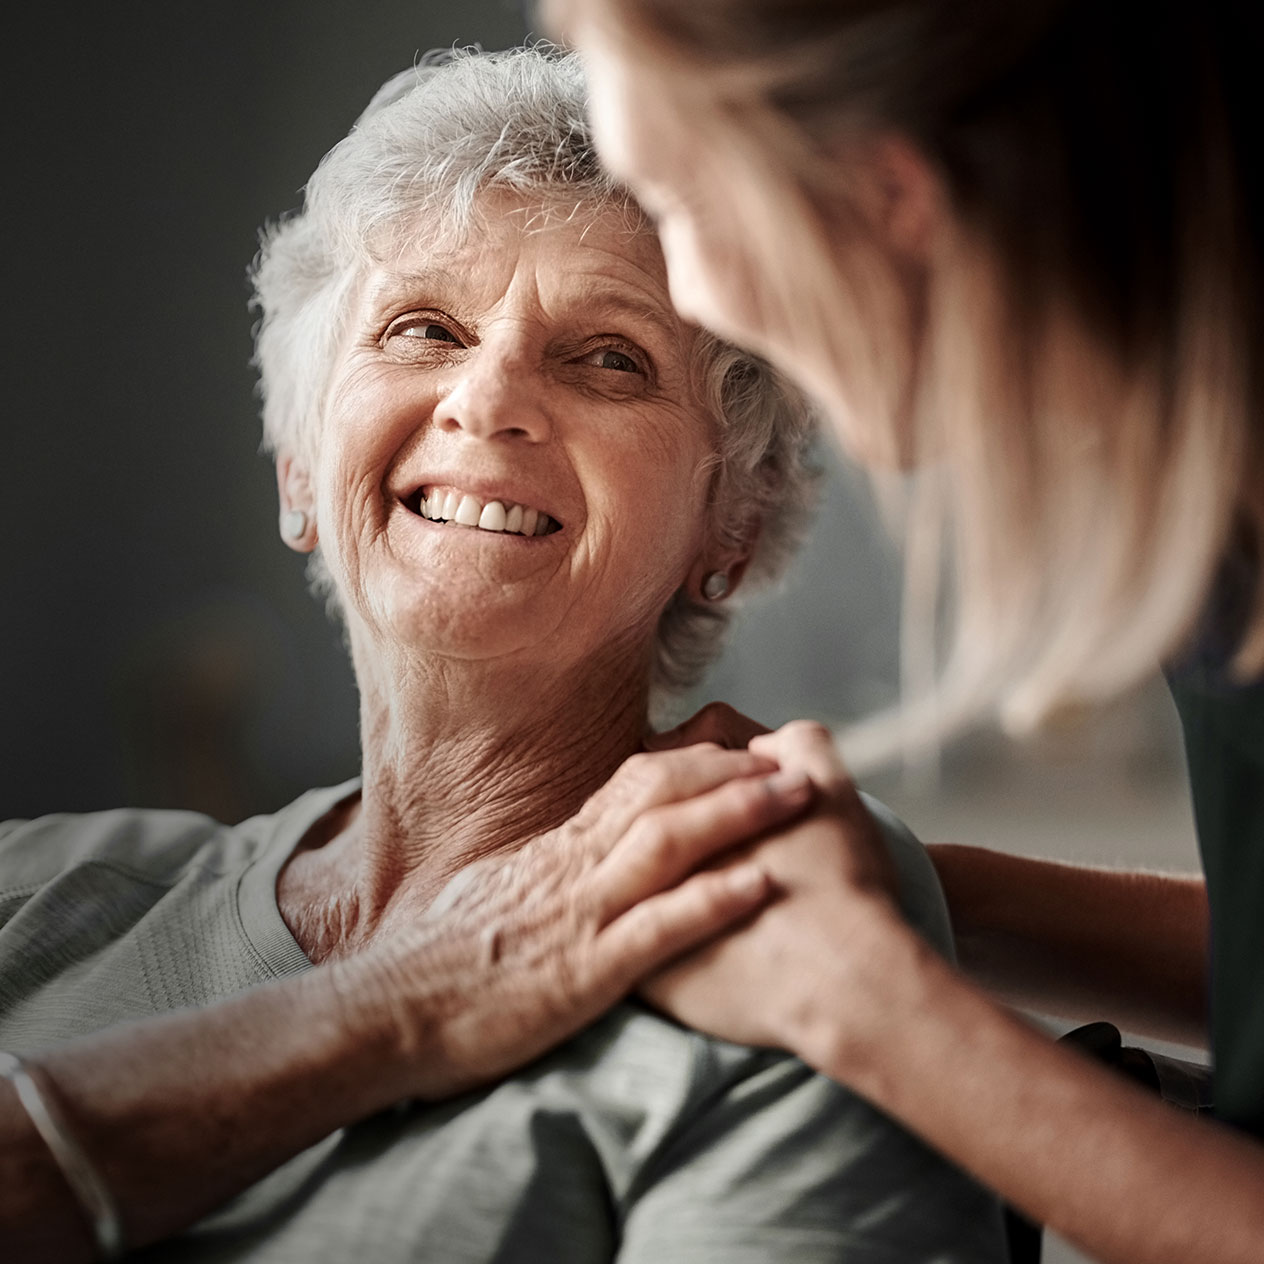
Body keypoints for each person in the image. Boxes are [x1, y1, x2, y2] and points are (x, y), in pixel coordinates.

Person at [0, 47, 1008, 1262]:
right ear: (299, 476)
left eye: (609, 358)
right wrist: (395, 1005)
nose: (487, 399)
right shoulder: (40, 888)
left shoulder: (776, 924)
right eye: (423, 327)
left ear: (727, 528)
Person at [543, 3, 1264, 1262]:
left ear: (889, 194)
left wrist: (872, 1012)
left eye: (672, 203)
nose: (687, 288)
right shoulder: (1215, 497)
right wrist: (915, 891)